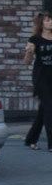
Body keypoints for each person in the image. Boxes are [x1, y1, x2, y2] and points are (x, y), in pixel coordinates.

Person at [24, 10, 52, 151]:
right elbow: (27, 62)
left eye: (51, 20)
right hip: (41, 78)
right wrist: (29, 52)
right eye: (47, 20)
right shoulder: (35, 39)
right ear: (42, 23)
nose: (50, 22)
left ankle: (30, 139)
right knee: (49, 108)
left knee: (44, 110)